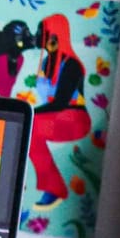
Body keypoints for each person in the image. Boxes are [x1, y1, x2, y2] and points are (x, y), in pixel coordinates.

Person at [28, 12, 91, 205]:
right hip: (54, 116)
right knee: (29, 132)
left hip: (75, 119)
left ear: (54, 35)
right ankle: (52, 186)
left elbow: (61, 102)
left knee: (31, 128)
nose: (38, 36)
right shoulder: (46, 63)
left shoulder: (71, 65)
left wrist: (28, 113)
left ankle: (53, 187)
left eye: (41, 31)